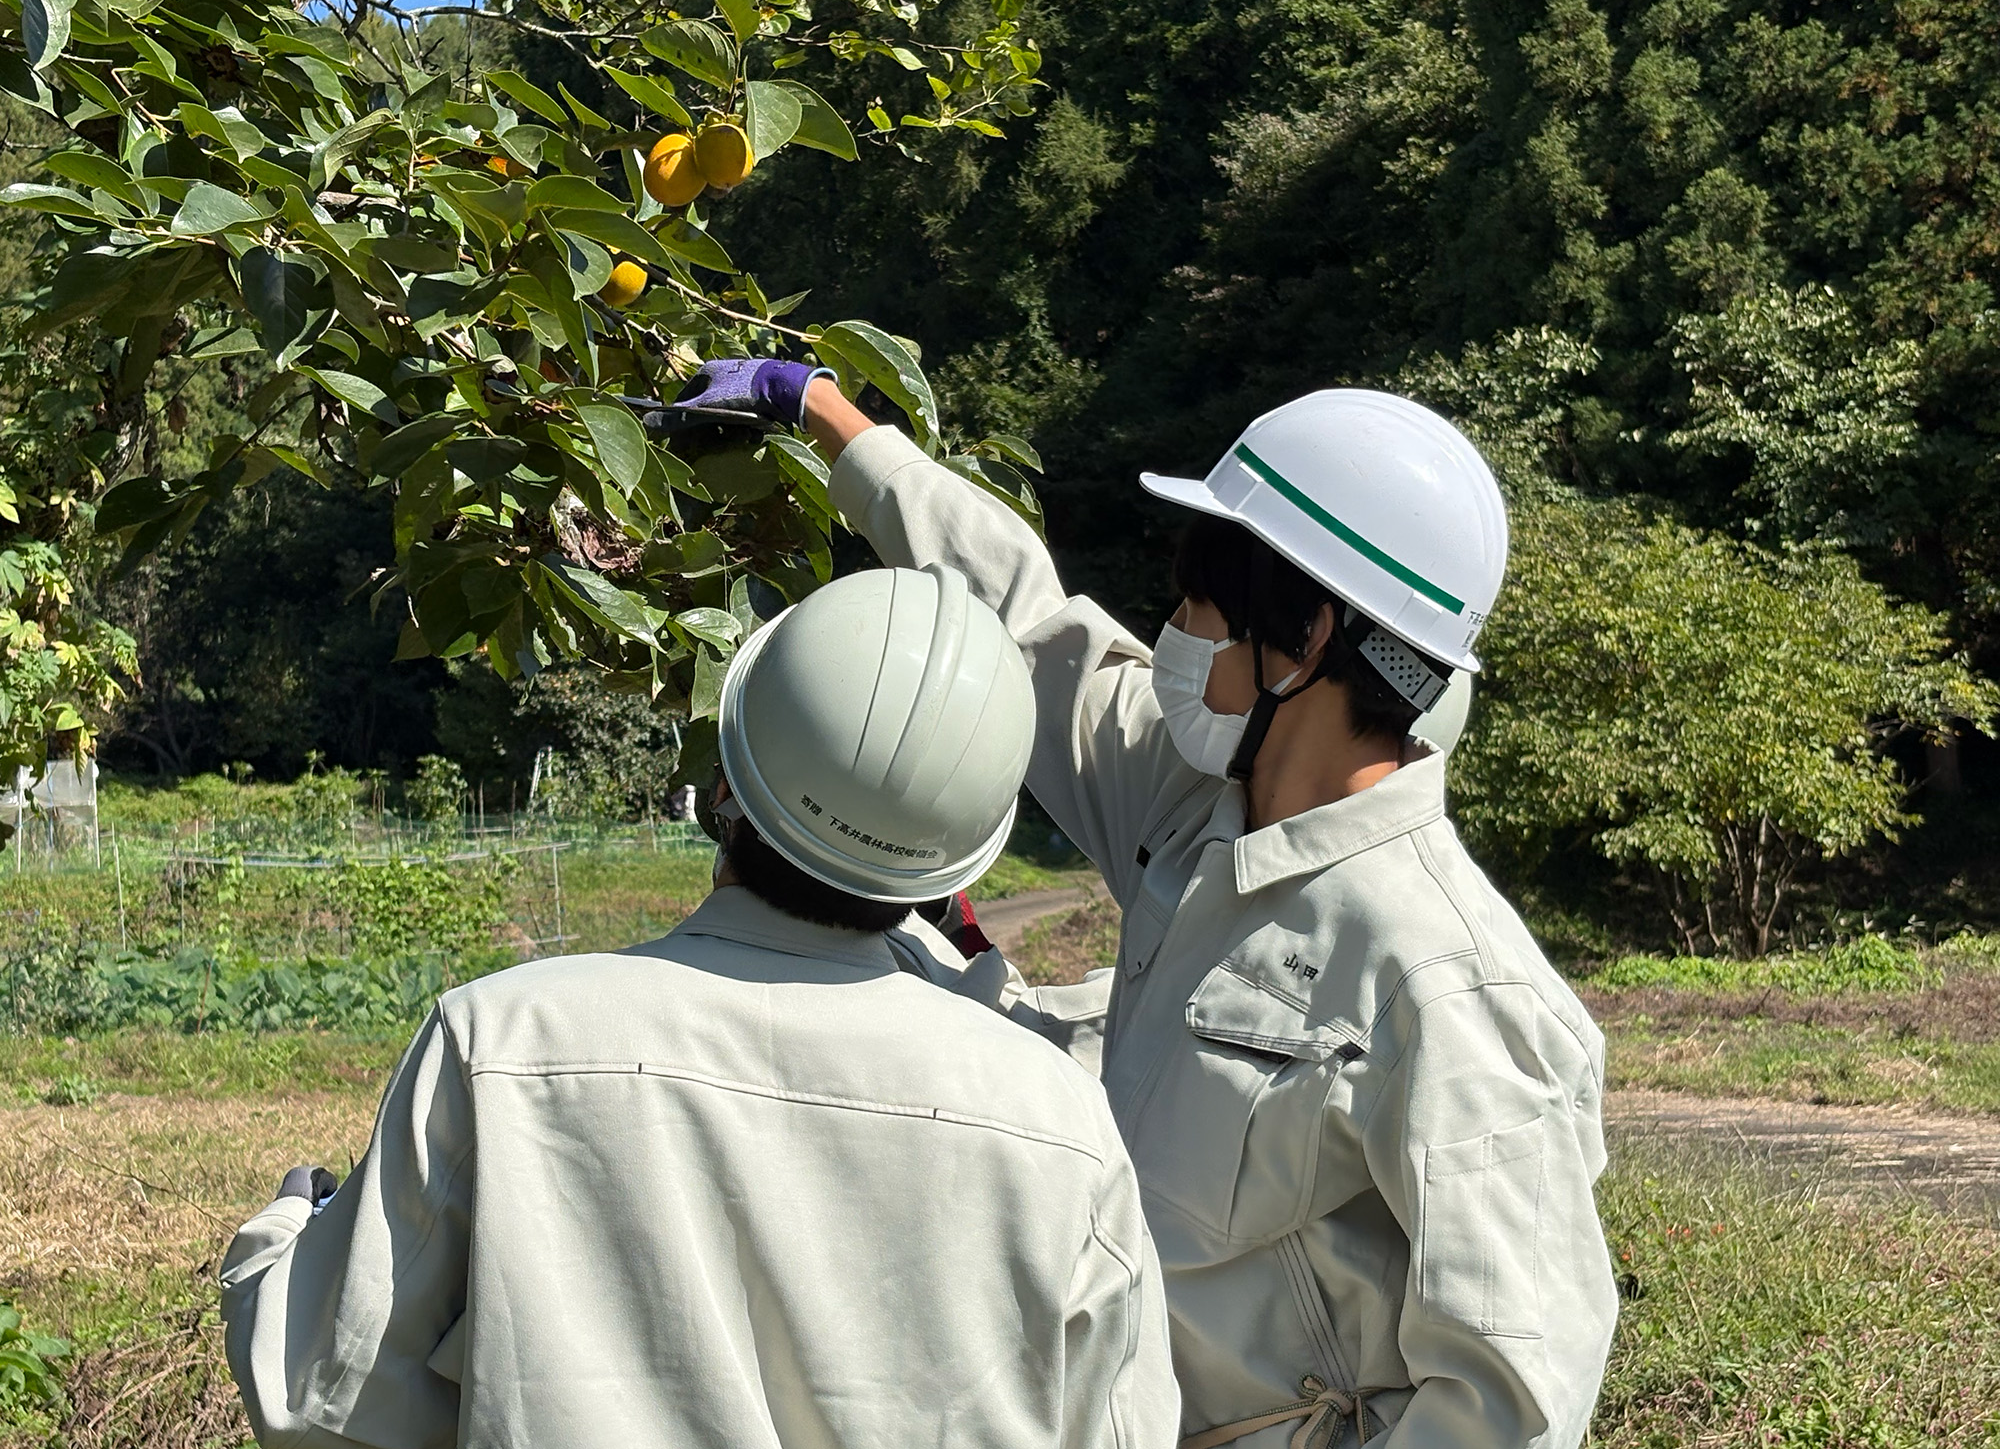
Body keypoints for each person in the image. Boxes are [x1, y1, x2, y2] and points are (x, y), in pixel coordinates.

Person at [674, 360, 1618, 1448]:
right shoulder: (1200, 809)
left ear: (1304, 638)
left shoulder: (1442, 979)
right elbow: (1025, 623)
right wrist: (829, 419)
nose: (1169, 640)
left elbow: (1514, 1389)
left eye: (1194, 610)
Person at [219, 564, 1180, 1449]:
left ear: (727, 782)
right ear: (961, 859)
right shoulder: (1061, 1123)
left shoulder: (503, 1042)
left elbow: (318, 1396)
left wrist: (283, 1234)